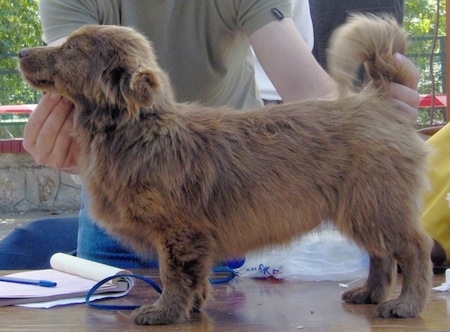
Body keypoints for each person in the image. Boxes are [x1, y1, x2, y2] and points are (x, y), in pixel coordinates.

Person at [9, 0, 420, 269]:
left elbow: (310, 91)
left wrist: (369, 123)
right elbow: (67, 71)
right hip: (119, 191)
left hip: (221, 189)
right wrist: (64, 134)